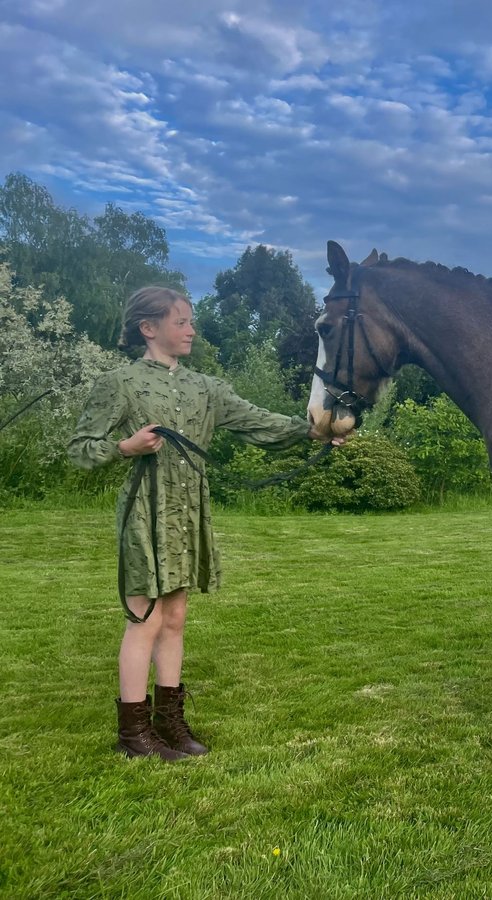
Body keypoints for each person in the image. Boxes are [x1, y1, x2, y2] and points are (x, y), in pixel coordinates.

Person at [68, 286, 346, 761]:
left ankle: (169, 723)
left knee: (174, 617)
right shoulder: (120, 383)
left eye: (191, 320)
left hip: (190, 510)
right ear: (149, 328)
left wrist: (314, 429)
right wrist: (125, 447)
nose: (192, 329)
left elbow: (257, 422)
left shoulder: (206, 388)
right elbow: (79, 450)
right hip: (145, 511)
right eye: (182, 322)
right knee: (144, 619)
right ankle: (133, 734)